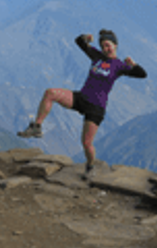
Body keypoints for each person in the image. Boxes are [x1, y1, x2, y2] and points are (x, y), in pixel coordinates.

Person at [18, 29, 147, 174]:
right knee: (50, 93)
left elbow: (142, 74)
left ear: (115, 45)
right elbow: (79, 41)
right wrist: (86, 38)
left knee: (86, 143)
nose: (106, 48)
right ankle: (36, 127)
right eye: (103, 46)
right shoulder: (96, 56)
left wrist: (133, 64)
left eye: (108, 45)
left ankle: (90, 165)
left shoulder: (119, 66)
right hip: (81, 98)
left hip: (96, 107)